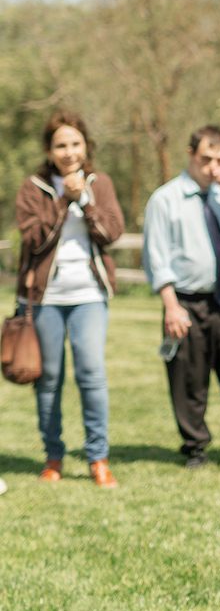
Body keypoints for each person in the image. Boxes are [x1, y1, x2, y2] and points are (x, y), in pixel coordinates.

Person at [15, 110, 124, 487]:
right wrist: (64, 201)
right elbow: (32, 239)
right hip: (45, 298)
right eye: (61, 144)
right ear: (49, 149)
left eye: (75, 143)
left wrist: (86, 201)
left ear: (85, 146)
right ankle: (53, 457)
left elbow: (111, 232)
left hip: (89, 295)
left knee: (91, 373)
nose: (68, 151)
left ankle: (98, 457)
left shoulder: (101, 182)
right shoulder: (34, 188)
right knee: (48, 379)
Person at [142, 124, 220, 468]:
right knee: (189, 378)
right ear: (191, 155)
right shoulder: (165, 199)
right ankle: (195, 447)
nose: (212, 166)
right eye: (206, 158)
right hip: (186, 301)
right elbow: (156, 256)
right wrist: (171, 307)